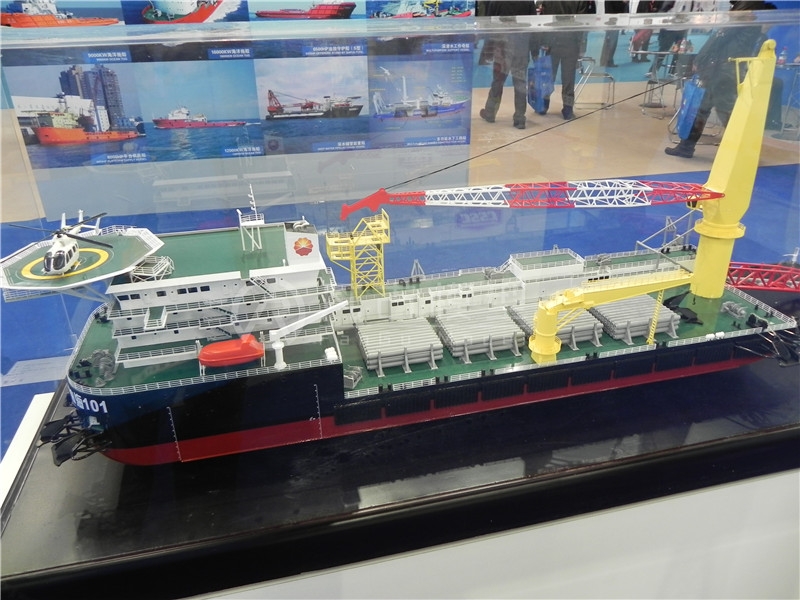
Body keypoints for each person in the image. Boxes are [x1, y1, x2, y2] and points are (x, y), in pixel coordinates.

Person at [665, 1, 774, 158]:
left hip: (723, 71)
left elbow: (718, 39)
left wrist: (700, 59)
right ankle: (686, 146)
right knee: (704, 109)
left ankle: (743, 152)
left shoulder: (743, 16)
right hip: (723, 69)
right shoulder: (749, 19)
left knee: (724, 113)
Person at [478, 1, 538, 130]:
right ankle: (520, 118)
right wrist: (535, 51)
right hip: (521, 47)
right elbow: (533, 27)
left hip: (502, 48)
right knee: (520, 83)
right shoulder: (528, 2)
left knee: (498, 81)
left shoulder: (495, 2)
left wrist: (487, 51)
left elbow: (489, 27)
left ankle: (490, 112)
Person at [537, 1, 595, 121]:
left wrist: (544, 41)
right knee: (568, 78)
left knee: (548, 75)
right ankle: (568, 109)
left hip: (552, 42)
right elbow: (582, 23)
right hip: (571, 42)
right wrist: (581, 45)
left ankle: (543, 105)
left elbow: (545, 18)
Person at [599, 1, 628, 68]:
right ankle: (608, 61)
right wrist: (623, 3)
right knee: (611, 42)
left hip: (612, 19)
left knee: (609, 41)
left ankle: (605, 61)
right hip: (613, 20)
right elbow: (617, 7)